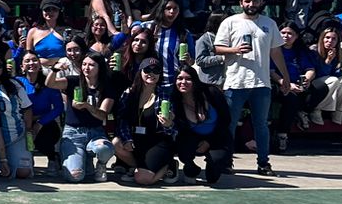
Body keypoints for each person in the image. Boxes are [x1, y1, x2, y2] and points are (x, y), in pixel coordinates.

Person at [113, 57, 176, 185]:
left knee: (142, 179)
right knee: (116, 143)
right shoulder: (129, 93)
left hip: (156, 141)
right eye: (147, 70)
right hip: (136, 138)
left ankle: (169, 165)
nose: (151, 74)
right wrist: (127, 139)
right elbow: (122, 119)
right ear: (140, 72)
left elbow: (170, 130)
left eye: (156, 70)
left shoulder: (163, 95)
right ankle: (139, 168)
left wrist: (169, 124)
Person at [169, 62, 233, 185]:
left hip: (217, 136)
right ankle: (190, 166)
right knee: (183, 149)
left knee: (212, 177)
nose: (183, 82)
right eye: (180, 78)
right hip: (193, 137)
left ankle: (212, 162)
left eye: (188, 79)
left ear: (195, 80)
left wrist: (209, 142)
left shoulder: (211, 92)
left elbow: (226, 120)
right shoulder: (175, 101)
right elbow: (181, 130)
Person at [59, 52, 116, 182]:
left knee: (104, 149)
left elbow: (103, 114)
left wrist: (87, 106)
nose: (86, 68)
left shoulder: (106, 87)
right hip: (73, 134)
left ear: (99, 68)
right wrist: (55, 69)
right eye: (84, 64)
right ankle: (83, 161)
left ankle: (101, 165)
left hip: (95, 133)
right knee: (75, 176)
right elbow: (50, 83)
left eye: (91, 65)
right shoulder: (73, 81)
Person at [18, 49, 64, 174]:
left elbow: (59, 108)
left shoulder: (49, 83)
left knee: (44, 137)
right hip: (22, 123)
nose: (31, 63)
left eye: (34, 60)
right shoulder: (17, 82)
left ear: (39, 64)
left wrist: (40, 122)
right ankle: (27, 157)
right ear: (22, 66)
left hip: (45, 123)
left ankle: (53, 157)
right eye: (27, 61)